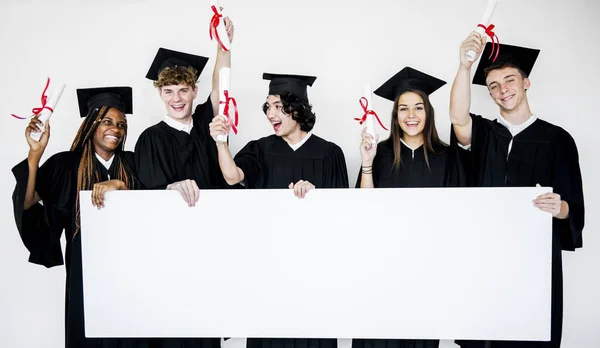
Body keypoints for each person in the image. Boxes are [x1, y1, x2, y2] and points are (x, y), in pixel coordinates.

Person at [450, 34, 585, 348]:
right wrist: (464, 67)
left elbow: (572, 207)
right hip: (486, 254)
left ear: (526, 83)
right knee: (485, 335)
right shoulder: (484, 133)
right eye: (494, 85)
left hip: (535, 258)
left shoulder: (557, 139)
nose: (502, 90)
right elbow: (458, 116)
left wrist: (559, 207)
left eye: (509, 80)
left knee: (530, 334)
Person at [11, 87, 144, 348]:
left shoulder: (133, 163)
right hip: (85, 271)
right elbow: (28, 204)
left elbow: (155, 203)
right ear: (92, 123)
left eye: (121, 125)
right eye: (107, 121)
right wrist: (35, 154)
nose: (115, 129)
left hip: (131, 271)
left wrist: (120, 185)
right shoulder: (67, 165)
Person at [135, 16, 234, 206]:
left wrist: (223, 47)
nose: (176, 99)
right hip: (173, 227)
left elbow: (220, 88)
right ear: (160, 93)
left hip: (216, 218)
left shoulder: (208, 125)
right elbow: (147, 195)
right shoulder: (150, 139)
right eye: (168, 91)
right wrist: (170, 188)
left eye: (183, 90)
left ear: (194, 91)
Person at [210, 73, 349, 198]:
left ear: (297, 110)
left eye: (277, 106)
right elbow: (232, 177)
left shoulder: (330, 154)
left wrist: (315, 196)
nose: (270, 114)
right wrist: (220, 142)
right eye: (268, 106)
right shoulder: (259, 150)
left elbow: (341, 209)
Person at [356, 66, 464, 191]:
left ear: (428, 113)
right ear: (396, 115)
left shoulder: (446, 156)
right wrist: (367, 162)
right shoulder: (380, 153)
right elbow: (365, 204)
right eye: (403, 108)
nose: (411, 115)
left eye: (418, 108)